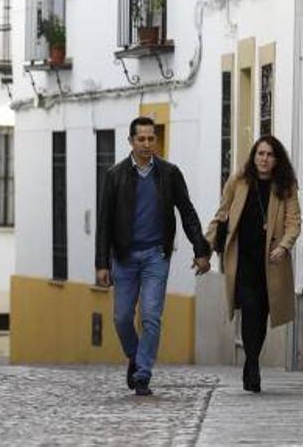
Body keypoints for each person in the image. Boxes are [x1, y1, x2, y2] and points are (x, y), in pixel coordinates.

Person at [95, 116, 212, 396]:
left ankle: (143, 372)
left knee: (151, 316)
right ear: (131, 141)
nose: (147, 144)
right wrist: (102, 263)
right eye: (141, 139)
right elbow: (104, 222)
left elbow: (187, 213)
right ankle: (134, 355)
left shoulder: (169, 174)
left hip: (155, 256)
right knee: (122, 317)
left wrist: (201, 250)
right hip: (124, 257)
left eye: (151, 138)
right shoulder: (115, 175)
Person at [206, 135, 301, 393]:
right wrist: (205, 246)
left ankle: (251, 360)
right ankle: (253, 367)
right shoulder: (239, 180)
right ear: (254, 156)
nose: (264, 159)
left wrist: (284, 246)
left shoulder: (285, 186)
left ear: (276, 159)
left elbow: (293, 221)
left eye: (269, 155)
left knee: (261, 313)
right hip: (242, 259)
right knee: (249, 309)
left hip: (270, 262)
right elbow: (222, 213)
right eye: (260, 153)